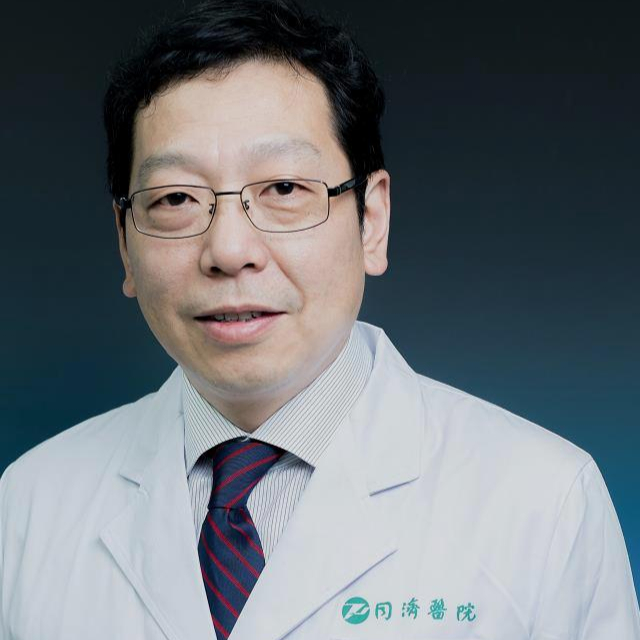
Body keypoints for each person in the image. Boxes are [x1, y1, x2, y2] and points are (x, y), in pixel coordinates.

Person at [1, 0, 638, 638]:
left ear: (372, 221)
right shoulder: (30, 505)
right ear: (125, 243)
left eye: (284, 189)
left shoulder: (545, 504)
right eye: (175, 198)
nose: (229, 251)